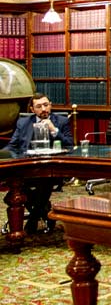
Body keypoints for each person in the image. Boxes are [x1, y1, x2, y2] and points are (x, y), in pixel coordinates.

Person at [5, 92, 73, 233]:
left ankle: (33, 218)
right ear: (32, 109)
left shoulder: (61, 121)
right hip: (27, 168)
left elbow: (70, 145)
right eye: (39, 106)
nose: (43, 109)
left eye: (46, 105)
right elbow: (12, 146)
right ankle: (44, 212)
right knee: (14, 191)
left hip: (52, 169)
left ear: (51, 105)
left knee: (45, 183)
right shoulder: (23, 123)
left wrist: (54, 130)